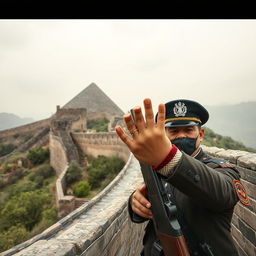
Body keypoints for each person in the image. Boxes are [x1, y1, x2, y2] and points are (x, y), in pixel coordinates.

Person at [115, 98, 250, 256]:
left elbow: (222, 192)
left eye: (188, 130)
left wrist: (168, 158)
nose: (181, 136)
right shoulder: (157, 167)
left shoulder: (220, 169)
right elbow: (154, 202)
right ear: (163, 135)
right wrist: (135, 203)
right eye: (173, 131)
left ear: (200, 135)